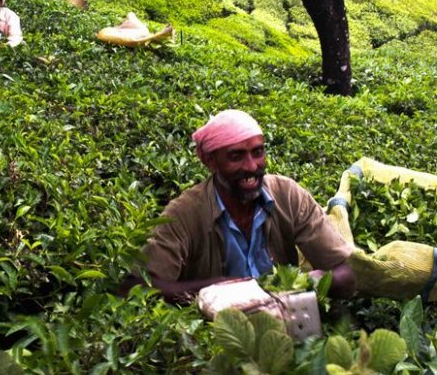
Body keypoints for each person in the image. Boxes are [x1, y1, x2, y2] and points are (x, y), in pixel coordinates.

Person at [134, 109, 356, 303]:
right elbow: (139, 286)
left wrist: (302, 285)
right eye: (236, 156)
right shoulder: (184, 214)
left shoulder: (288, 196)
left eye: (258, 153)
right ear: (211, 162)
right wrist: (217, 289)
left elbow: (347, 271)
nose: (251, 166)